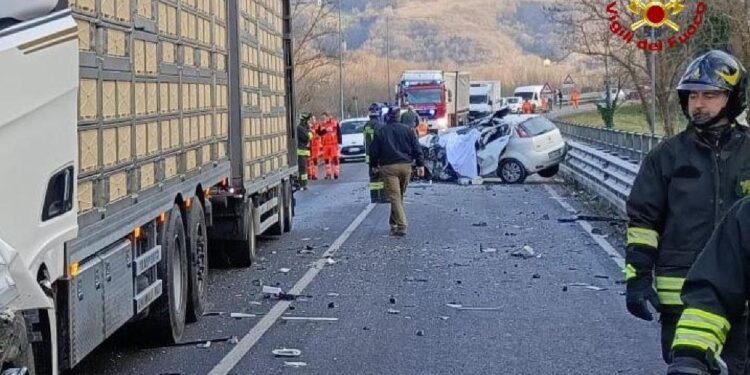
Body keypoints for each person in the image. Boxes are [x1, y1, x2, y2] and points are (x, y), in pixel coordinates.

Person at [624, 50, 750, 374]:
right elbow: (642, 223)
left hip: (743, 306)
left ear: (733, 98)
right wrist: (637, 280)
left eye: (710, 94)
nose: (699, 104)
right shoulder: (665, 158)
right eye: (693, 95)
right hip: (681, 306)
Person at [368, 106, 425, 237]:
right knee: (399, 196)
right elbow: (417, 148)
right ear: (399, 118)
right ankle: (393, 222)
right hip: (406, 167)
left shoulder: (381, 131)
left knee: (395, 197)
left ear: (387, 117)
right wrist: (420, 165)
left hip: (389, 168)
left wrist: (373, 165)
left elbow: (373, 151)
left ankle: (402, 225)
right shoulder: (408, 130)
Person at [317, 112, 342, 180]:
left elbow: (339, 133)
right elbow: (319, 133)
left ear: (328, 117)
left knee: (335, 159)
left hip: (333, 144)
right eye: (322, 118)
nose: (323, 119)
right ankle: (328, 173)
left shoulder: (334, 122)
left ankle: (336, 173)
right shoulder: (322, 124)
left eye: (324, 117)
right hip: (325, 145)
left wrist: (340, 143)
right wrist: (325, 130)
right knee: (327, 159)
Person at [296, 113, 313, 190]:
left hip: (304, 152)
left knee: (304, 170)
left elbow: (311, 136)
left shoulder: (304, 128)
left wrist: (309, 131)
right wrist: (309, 131)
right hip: (301, 152)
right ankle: (302, 184)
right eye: (306, 121)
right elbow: (308, 136)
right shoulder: (300, 128)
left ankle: (304, 184)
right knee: (302, 170)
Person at [308, 115, 321, 180]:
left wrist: (313, 132)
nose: (312, 120)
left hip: (315, 146)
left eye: (313, 119)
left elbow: (319, 135)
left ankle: (315, 175)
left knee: (315, 160)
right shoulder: (308, 127)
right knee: (309, 161)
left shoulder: (318, 126)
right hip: (309, 146)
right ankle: (310, 174)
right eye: (311, 119)